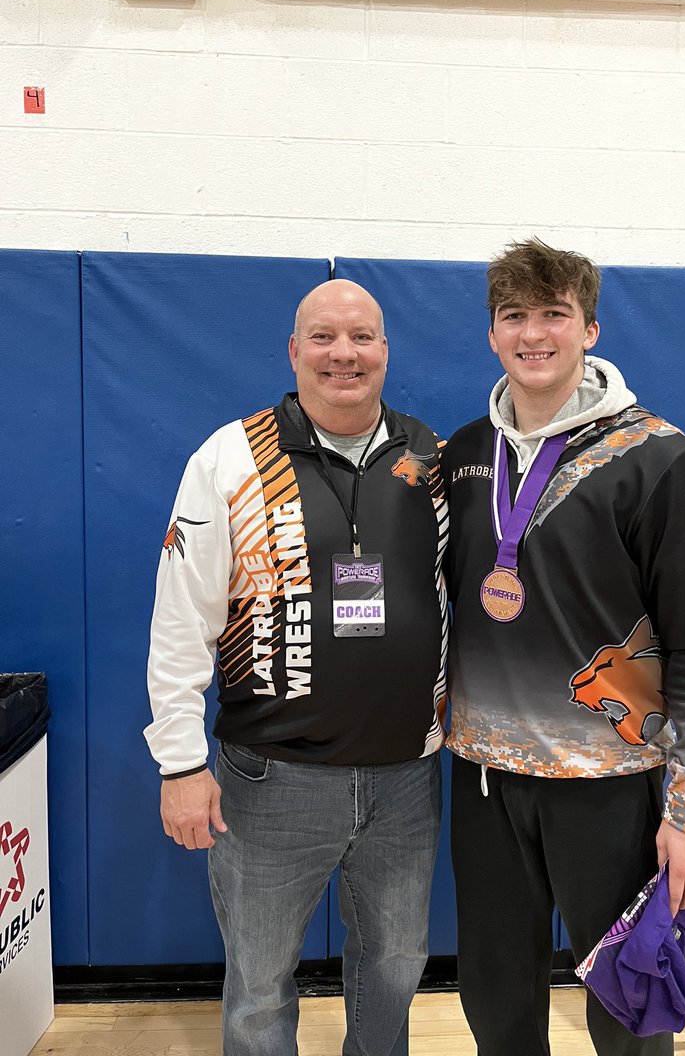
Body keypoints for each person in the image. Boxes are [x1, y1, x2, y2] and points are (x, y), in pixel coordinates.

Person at [443, 238, 685, 1056]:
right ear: (492, 335)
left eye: (554, 314)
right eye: (514, 317)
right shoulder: (466, 453)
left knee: (627, 1008)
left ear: (591, 329)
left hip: (609, 786)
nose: (533, 333)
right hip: (485, 781)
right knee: (496, 1001)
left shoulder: (660, 458)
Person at [145, 279, 448, 1056]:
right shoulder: (231, 457)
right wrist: (179, 763)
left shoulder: (431, 459)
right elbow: (182, 620)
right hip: (270, 781)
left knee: (393, 970)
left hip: (406, 782)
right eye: (323, 336)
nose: (343, 353)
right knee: (258, 985)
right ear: (293, 350)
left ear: (385, 350)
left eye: (362, 337)